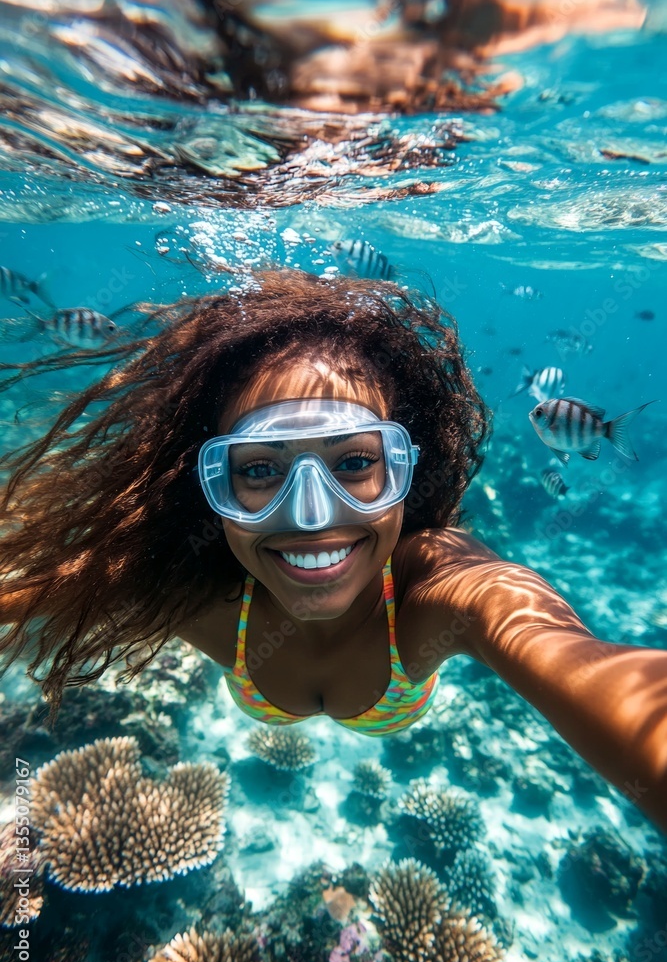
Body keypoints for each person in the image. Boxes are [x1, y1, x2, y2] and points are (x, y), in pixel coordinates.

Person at [0, 268, 665, 833]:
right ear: (207, 487)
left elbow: (572, 658)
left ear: (405, 468)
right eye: (259, 471)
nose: (312, 517)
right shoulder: (188, 584)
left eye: (353, 462)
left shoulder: (439, 591)